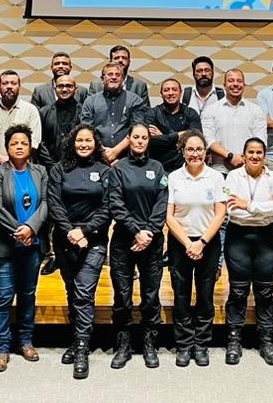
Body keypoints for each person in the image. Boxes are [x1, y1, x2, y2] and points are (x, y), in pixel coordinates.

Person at [0, 124, 50, 372]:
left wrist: (31, 228)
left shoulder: (41, 171)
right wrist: (19, 231)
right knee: (3, 297)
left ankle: (25, 341)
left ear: (30, 147)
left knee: (27, 295)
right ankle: (1, 347)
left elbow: (46, 203)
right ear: (6, 147)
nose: (19, 147)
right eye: (14, 143)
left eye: (23, 143)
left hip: (32, 245)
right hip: (4, 246)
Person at [47, 124, 112, 379]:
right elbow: (54, 203)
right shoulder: (59, 169)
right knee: (72, 291)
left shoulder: (105, 171)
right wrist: (70, 231)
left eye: (88, 140)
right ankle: (77, 339)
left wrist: (84, 231)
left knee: (84, 292)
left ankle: (82, 348)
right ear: (72, 143)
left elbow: (107, 208)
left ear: (96, 144)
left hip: (93, 241)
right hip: (64, 240)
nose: (84, 144)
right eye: (79, 140)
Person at [107, 123, 169, 370]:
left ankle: (149, 343)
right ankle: (123, 344)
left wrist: (148, 233)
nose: (140, 141)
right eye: (136, 137)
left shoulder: (158, 168)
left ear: (148, 141)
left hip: (152, 242)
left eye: (144, 137)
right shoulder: (118, 169)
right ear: (129, 140)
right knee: (122, 296)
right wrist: (136, 231)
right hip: (124, 241)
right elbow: (115, 204)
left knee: (150, 296)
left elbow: (162, 204)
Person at [165, 130, 227, 367]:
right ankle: (183, 344)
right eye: (190, 149)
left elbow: (220, 213)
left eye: (199, 149)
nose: (195, 154)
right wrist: (188, 243)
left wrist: (201, 242)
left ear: (205, 152)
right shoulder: (174, 178)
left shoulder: (216, 177)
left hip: (208, 242)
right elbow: (169, 216)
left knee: (205, 295)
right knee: (181, 295)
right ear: (183, 152)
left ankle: (201, 344)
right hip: (180, 243)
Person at [223, 137, 273, 366]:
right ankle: (234, 339)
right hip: (238, 237)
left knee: (265, 291)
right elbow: (231, 209)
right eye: (251, 152)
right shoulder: (232, 177)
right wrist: (263, 208)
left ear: (265, 156)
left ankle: (267, 340)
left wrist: (248, 205)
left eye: (259, 152)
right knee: (238, 291)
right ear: (244, 155)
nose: (255, 156)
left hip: (267, 238)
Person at [80, 62, 148, 164]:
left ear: (123, 79)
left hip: (127, 158)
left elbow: (137, 131)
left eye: (118, 75)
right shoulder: (90, 101)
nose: (114, 77)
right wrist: (103, 152)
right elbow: (87, 130)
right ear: (102, 79)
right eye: (110, 74)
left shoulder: (135, 101)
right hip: (96, 157)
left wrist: (115, 151)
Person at [201, 69, 268, 172]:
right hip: (220, 171)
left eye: (239, 81)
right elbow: (208, 140)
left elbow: (261, 140)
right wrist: (230, 156)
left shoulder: (256, 110)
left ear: (244, 85)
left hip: (249, 170)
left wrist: (243, 157)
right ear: (224, 85)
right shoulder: (211, 110)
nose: (235, 84)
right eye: (231, 81)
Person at [146, 78, 201, 172]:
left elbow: (196, 138)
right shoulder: (152, 113)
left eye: (174, 89)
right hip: (159, 168)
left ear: (181, 93)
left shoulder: (190, 113)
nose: (170, 93)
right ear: (161, 94)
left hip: (185, 168)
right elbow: (151, 141)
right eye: (166, 90)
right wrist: (179, 136)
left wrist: (163, 136)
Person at [0, 70, 43, 164]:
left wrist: (16, 158)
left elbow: (35, 141)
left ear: (19, 86)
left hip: (24, 165)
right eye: (5, 83)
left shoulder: (30, 110)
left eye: (13, 83)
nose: (9, 86)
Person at [38, 74, 83, 167]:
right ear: (55, 89)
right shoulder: (44, 112)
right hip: (49, 166)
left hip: (78, 165)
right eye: (60, 86)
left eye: (69, 86)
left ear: (76, 89)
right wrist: (51, 165)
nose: (64, 89)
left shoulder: (83, 112)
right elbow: (40, 141)